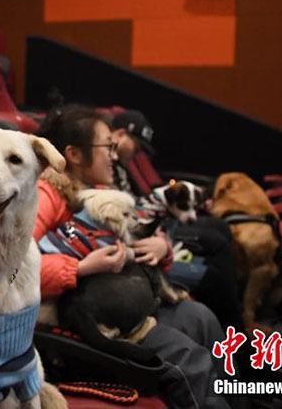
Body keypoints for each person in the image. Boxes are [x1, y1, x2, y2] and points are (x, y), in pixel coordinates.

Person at [34, 104, 229, 409]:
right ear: (73, 155)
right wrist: (80, 267)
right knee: (193, 362)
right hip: (81, 322)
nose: (114, 155)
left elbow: (137, 240)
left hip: (122, 299)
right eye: (107, 147)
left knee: (202, 320)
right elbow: (14, 270)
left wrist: (162, 248)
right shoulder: (45, 195)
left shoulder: (100, 190)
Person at [110, 110, 244, 328]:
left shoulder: (119, 170)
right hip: (137, 252)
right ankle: (241, 346)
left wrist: (162, 241)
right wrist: (160, 241)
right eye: (136, 145)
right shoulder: (103, 180)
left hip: (150, 238)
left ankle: (241, 332)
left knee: (218, 245)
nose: (137, 153)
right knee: (215, 268)